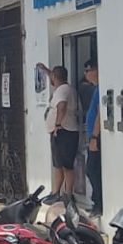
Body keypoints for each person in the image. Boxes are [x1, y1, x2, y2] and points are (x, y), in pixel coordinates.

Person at [41, 64, 80, 205]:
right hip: (61, 132)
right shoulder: (63, 88)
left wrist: (57, 124)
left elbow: (61, 107)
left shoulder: (63, 90)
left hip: (64, 131)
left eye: (51, 76)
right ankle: (55, 192)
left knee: (66, 165)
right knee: (58, 164)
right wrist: (46, 71)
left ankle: (67, 194)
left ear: (55, 78)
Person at [82, 60, 103, 216]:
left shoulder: (100, 89)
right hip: (93, 136)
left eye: (88, 70)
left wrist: (95, 137)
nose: (86, 73)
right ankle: (96, 201)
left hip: (97, 138)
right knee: (91, 170)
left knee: (93, 170)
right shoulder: (95, 89)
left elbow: (99, 113)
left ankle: (98, 204)